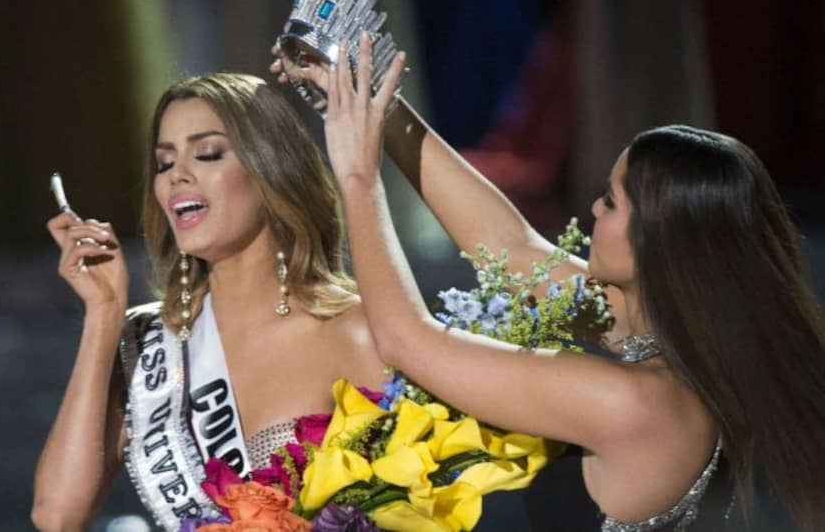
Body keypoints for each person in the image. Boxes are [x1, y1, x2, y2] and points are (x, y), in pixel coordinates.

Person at [274, 33, 825, 531]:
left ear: (658, 242)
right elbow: (511, 249)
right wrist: (376, 104)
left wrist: (357, 173)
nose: (592, 207)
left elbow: (408, 343)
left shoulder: (643, 403)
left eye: (611, 202)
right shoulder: (677, 346)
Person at [31, 73, 387, 531]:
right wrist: (103, 315)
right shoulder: (147, 346)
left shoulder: (355, 329)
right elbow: (56, 515)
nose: (177, 175)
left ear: (271, 171)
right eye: (164, 163)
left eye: (208, 154)